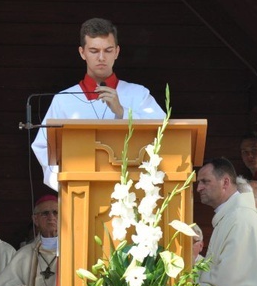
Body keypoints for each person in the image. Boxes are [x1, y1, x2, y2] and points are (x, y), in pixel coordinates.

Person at [31, 18, 165, 190]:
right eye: (94, 51)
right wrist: (69, 184)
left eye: (108, 50)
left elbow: (164, 135)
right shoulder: (63, 100)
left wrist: (122, 112)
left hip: (131, 191)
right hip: (80, 193)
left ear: (117, 52)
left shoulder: (138, 94)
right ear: (82, 52)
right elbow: (44, 147)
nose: (101, 57)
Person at [196, 158, 257, 286]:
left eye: (205, 181)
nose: (199, 188)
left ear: (225, 182)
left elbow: (231, 285)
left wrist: (193, 282)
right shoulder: (232, 216)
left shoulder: (241, 219)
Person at [0, 194, 59, 286]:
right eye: (45, 213)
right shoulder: (24, 254)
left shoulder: (74, 253)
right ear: (35, 219)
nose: (51, 217)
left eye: (56, 212)